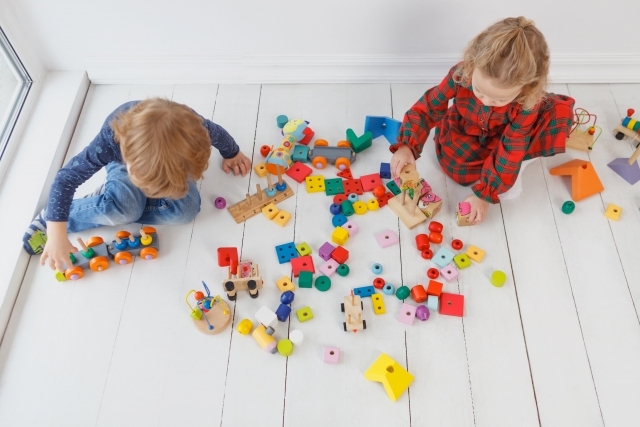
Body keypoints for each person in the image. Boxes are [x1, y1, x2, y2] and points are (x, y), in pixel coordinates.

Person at [23, 98, 252, 272]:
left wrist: (232, 153)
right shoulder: (110, 142)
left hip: (171, 158)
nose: (153, 194)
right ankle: (59, 215)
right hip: (123, 159)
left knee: (186, 212)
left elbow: (219, 135)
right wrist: (56, 235)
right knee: (124, 209)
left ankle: (115, 202)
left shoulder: (195, 130)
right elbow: (65, 179)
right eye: (151, 188)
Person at [390, 16, 575, 224]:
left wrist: (484, 195)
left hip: (501, 137)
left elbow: (510, 150)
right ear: (472, 64)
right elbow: (428, 108)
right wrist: (407, 145)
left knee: (509, 174)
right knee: (457, 169)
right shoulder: (461, 73)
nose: (486, 102)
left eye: (500, 99)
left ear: (527, 88)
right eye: (478, 90)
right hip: (464, 128)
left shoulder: (526, 103)